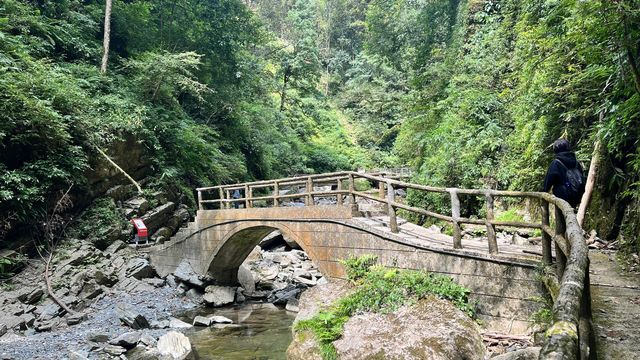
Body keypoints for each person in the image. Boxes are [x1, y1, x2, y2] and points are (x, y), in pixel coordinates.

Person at [543, 139, 585, 208]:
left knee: (562, 217)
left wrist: (544, 191)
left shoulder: (556, 163)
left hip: (563, 197)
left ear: (555, 150)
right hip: (577, 196)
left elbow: (549, 180)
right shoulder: (576, 162)